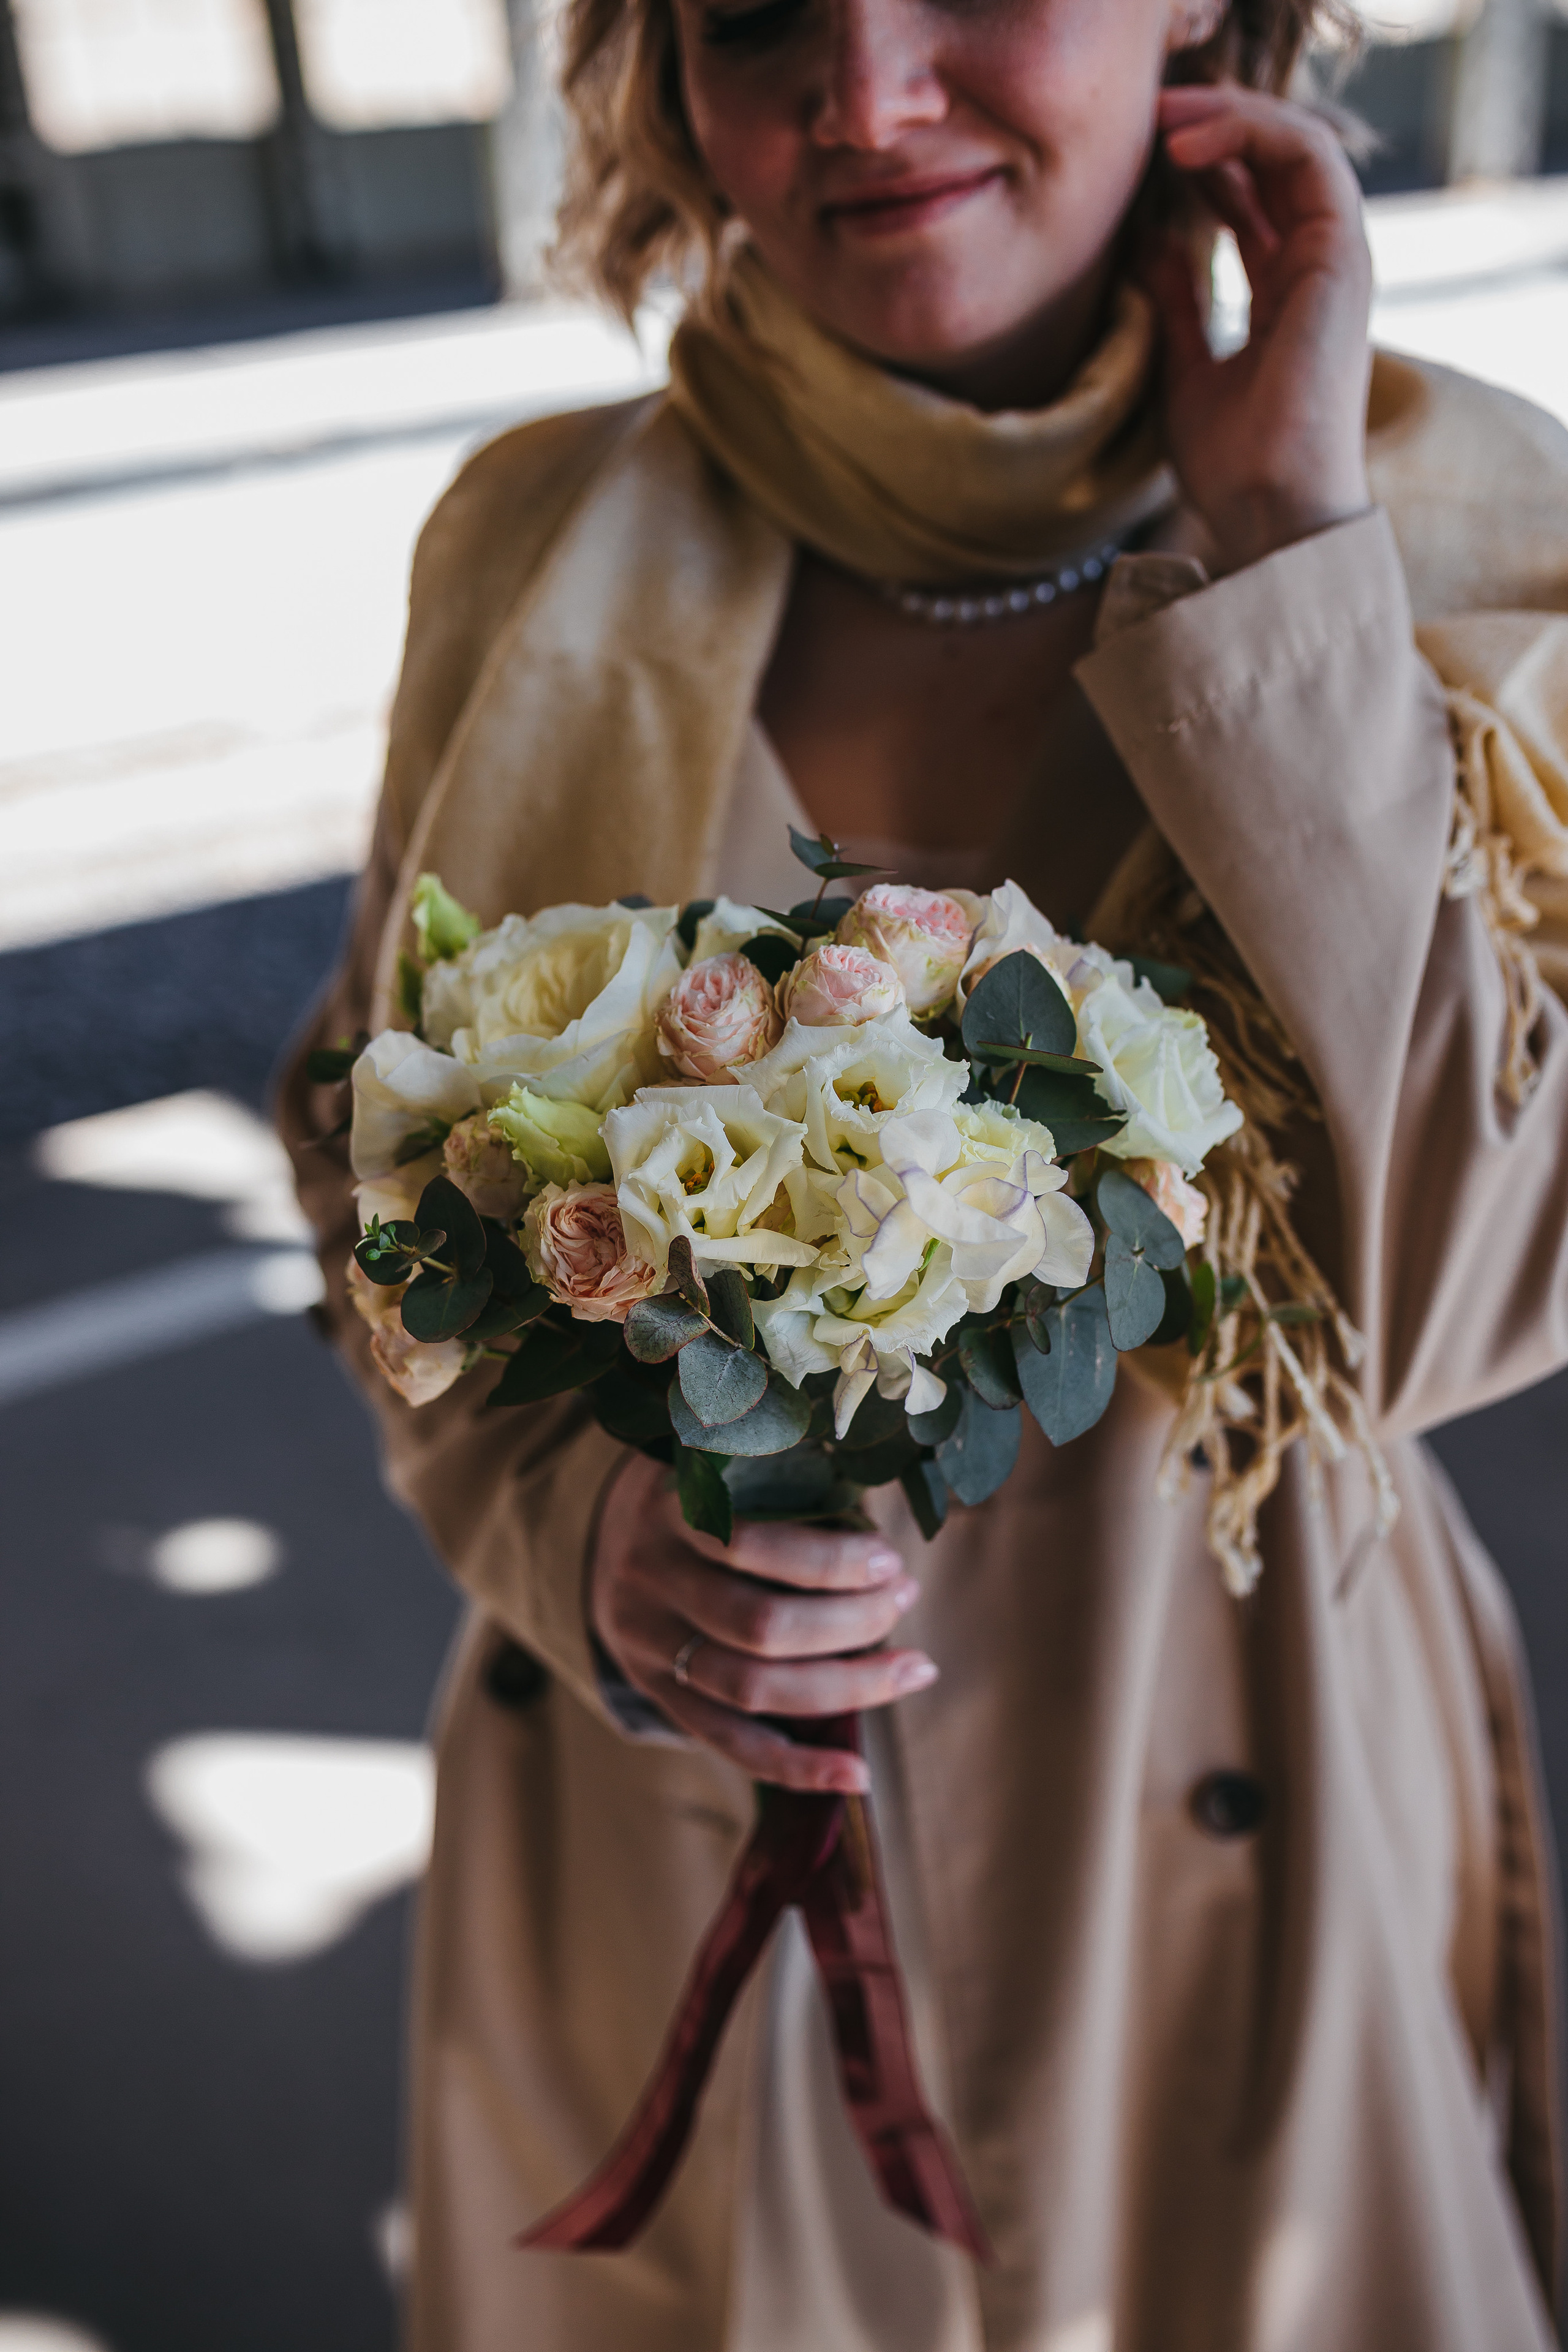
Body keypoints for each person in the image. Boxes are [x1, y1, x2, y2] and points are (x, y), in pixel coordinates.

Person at [281, 0, 1568, 2342]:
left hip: (1229, 1813)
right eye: (760, 12)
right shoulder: (531, 551)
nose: (863, 101)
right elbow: (367, 1176)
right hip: (665, 1847)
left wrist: (1288, 539)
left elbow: (1466, 1293)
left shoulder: (1458, 525)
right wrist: (588, 1540)